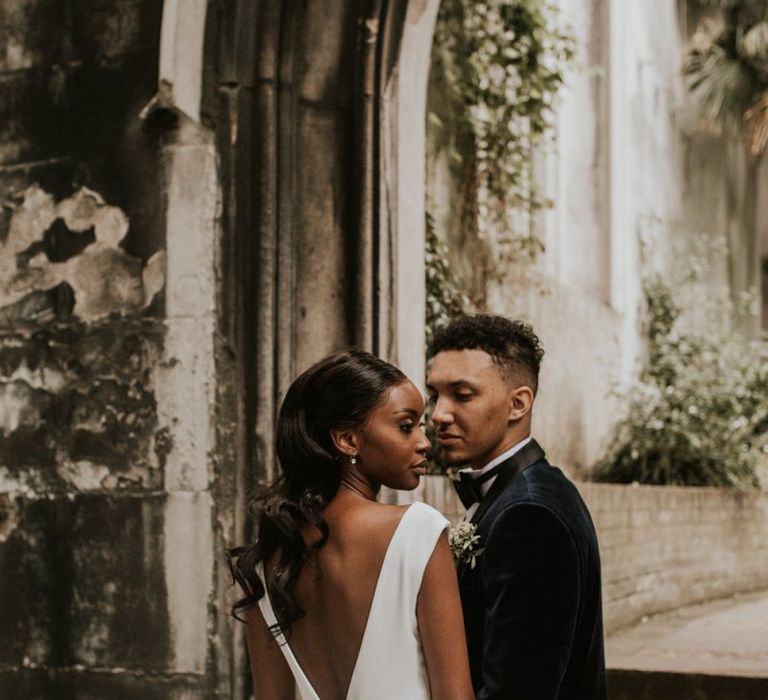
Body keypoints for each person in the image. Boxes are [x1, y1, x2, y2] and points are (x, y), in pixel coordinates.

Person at [229, 349, 474, 700]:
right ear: (347, 440)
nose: (423, 443)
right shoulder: (417, 531)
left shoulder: (268, 560)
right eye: (406, 426)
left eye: (421, 426)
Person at [427, 315, 607, 700]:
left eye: (462, 394)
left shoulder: (530, 516)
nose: (439, 414)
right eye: (435, 395)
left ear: (518, 404)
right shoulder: (519, 494)